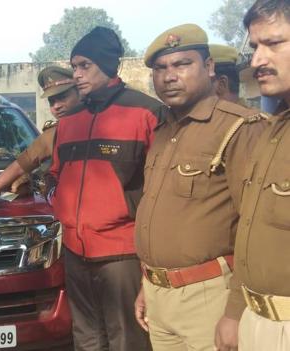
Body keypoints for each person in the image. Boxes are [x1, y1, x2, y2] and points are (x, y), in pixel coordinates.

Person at [133, 24, 266, 351]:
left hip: (209, 296)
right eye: (160, 68)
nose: (169, 76)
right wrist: (147, 283)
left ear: (208, 68)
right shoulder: (164, 131)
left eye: (182, 64)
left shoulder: (237, 128)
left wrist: (235, 312)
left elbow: (256, 229)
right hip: (157, 295)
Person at [48, 26, 167, 351]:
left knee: (126, 339)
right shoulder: (69, 121)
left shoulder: (147, 113)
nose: (77, 74)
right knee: (86, 339)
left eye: (84, 65)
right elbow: (57, 177)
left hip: (122, 255)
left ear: (108, 65)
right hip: (75, 252)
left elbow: (162, 193)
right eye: (74, 67)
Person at [221, 1, 290, 350]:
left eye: (274, 43)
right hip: (256, 319)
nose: (258, 60)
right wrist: (235, 313)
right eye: (255, 47)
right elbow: (251, 231)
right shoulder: (271, 131)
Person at [0, 65, 82, 220]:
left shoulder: (105, 125)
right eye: (52, 101)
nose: (57, 106)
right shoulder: (53, 136)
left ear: (80, 93)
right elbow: (18, 167)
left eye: (63, 97)